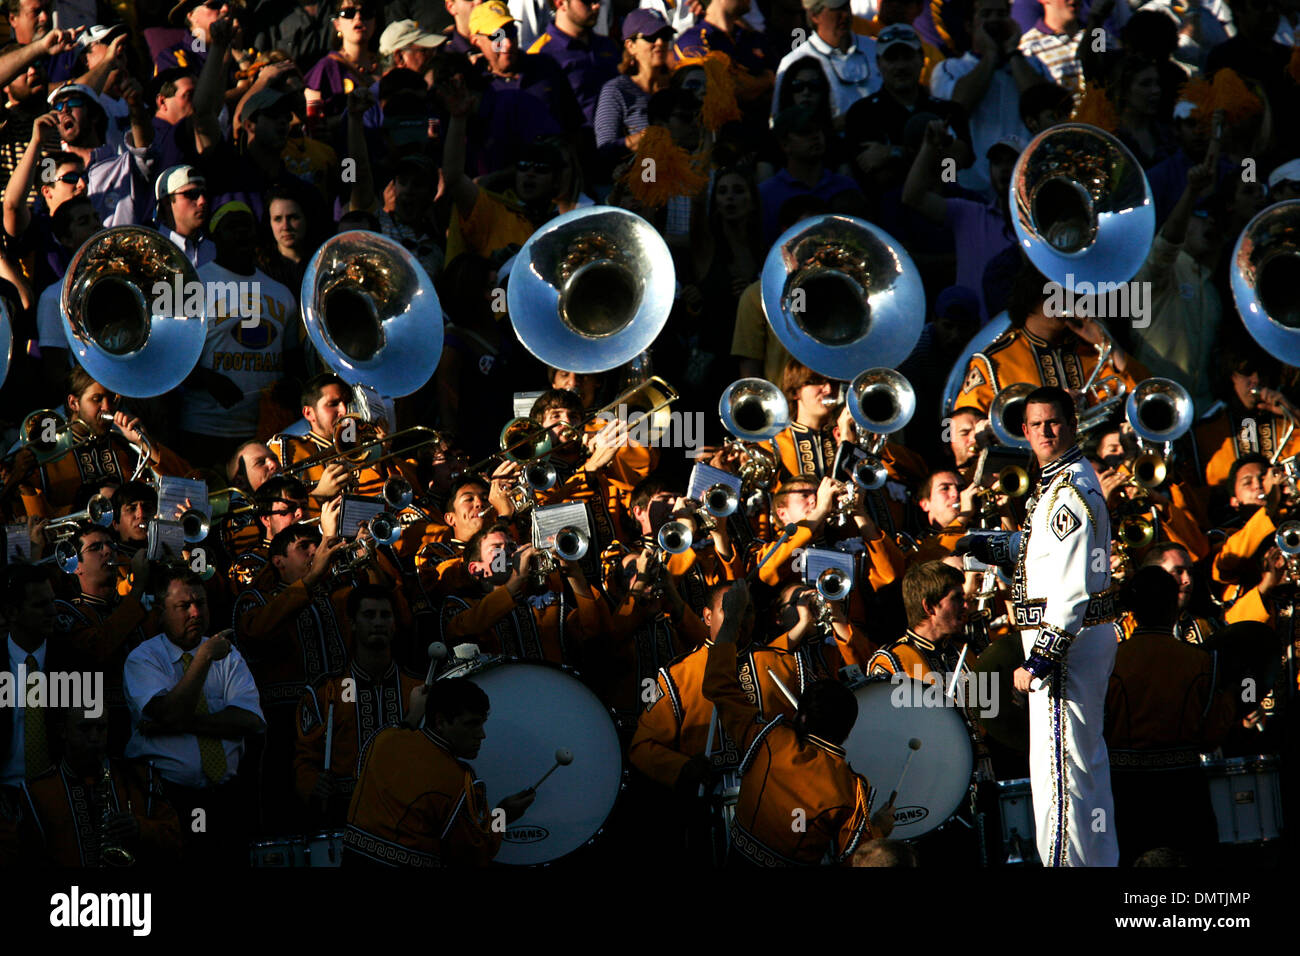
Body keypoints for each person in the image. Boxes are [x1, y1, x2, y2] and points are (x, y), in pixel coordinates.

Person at [957, 384, 1118, 866]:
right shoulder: (1062, 481)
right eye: (1037, 424)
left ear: (1072, 425)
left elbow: (1069, 590)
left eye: (1054, 422)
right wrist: (1003, 547)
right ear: (1023, 432)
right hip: (1077, 641)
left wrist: (1040, 659)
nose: (1046, 432)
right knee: (1080, 768)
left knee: (1061, 777)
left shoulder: (1067, 489)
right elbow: (1053, 553)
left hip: (1065, 647)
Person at [701, 580, 892, 865]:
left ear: (801, 715)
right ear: (849, 731)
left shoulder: (769, 741)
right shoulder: (850, 787)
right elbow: (861, 858)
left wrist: (730, 621)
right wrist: (879, 828)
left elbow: (719, 685)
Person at [122, 568, 266, 865]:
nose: (196, 612)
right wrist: (202, 659)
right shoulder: (144, 658)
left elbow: (251, 721)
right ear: (161, 612)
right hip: (169, 799)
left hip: (226, 796)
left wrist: (177, 724)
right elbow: (169, 710)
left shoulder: (228, 654)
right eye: (183, 606)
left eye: (201, 603)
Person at [1105, 565, 1234, 864]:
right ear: (1172, 604)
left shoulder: (1110, 662)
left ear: (1132, 610)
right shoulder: (1201, 661)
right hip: (1183, 789)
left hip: (1125, 790)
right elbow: (1213, 735)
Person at [342, 676, 536, 866]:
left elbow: (396, 737)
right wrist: (502, 815)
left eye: (483, 723)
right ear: (441, 722)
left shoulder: (383, 740)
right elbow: (473, 854)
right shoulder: (457, 781)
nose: (482, 734)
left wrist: (413, 715)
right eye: (472, 724)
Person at [294, 584, 423, 825]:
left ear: (394, 623)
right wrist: (312, 784)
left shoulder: (418, 690)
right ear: (352, 623)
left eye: (385, 615)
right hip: (345, 818)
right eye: (368, 615)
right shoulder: (325, 694)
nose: (378, 622)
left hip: (408, 818)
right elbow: (305, 759)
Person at [15, 704, 182, 866]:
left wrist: (140, 828)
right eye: (84, 729)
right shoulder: (37, 792)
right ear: (63, 731)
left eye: (101, 728)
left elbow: (176, 838)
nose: (95, 737)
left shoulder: (143, 777)